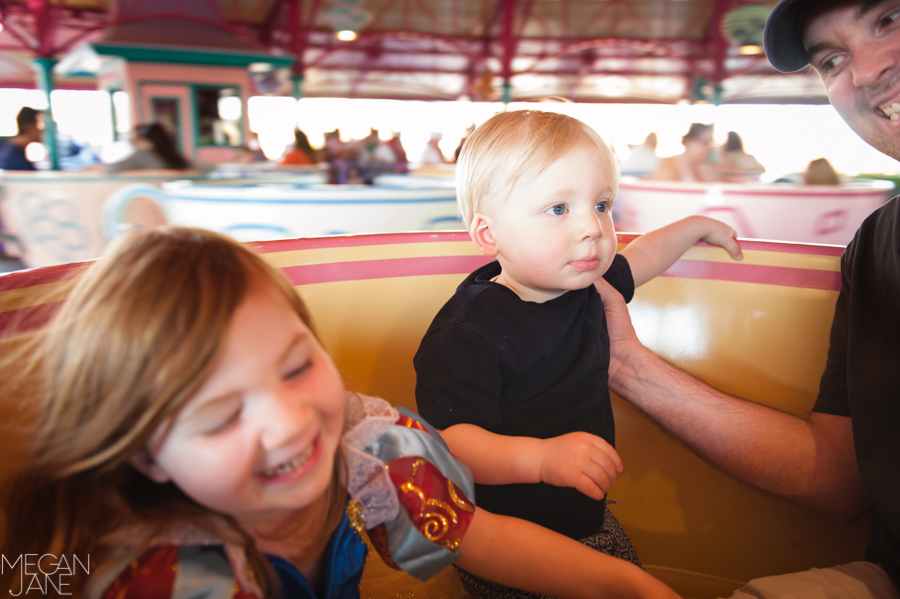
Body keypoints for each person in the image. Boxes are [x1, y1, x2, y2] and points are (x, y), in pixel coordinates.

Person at [0, 227, 680, 599]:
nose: (290, 421)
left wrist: (626, 583)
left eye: (297, 366)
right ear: (147, 454)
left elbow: (478, 538)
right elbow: (40, 570)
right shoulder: (175, 571)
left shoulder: (374, 447)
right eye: (219, 415)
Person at [593, 0, 900, 596]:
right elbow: (839, 477)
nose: (863, 72)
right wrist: (623, 363)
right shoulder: (876, 246)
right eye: (832, 59)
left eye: (889, 19)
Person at [414, 109, 743, 599]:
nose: (592, 227)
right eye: (559, 209)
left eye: (602, 204)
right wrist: (541, 460)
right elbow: (450, 443)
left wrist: (694, 226)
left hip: (582, 512)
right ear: (489, 233)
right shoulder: (470, 331)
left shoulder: (585, 284)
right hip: (504, 540)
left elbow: (644, 256)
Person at [102, 123, 190, 173]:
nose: (131, 140)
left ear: (142, 138)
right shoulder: (169, 155)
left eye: (134, 137)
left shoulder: (142, 155)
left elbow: (111, 168)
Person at [648, 123, 717, 182]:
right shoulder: (671, 165)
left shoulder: (704, 167)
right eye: (704, 142)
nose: (709, 148)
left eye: (710, 143)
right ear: (688, 141)